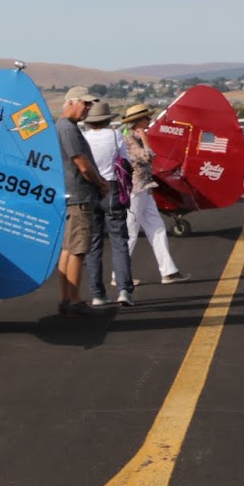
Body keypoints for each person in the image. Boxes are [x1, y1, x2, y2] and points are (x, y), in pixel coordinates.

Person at [55, 87, 109, 316]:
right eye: (85, 104)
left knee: (68, 249)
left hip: (70, 196)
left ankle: (67, 298)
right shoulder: (69, 129)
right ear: (71, 103)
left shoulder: (62, 127)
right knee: (78, 250)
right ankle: (74, 300)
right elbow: (83, 165)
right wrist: (100, 184)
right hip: (79, 196)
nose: (88, 108)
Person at [120, 103, 188, 284]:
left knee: (157, 228)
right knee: (131, 232)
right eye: (146, 118)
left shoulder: (135, 138)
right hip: (135, 190)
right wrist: (146, 139)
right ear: (137, 122)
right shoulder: (130, 140)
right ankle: (119, 275)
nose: (149, 121)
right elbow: (147, 157)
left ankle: (168, 271)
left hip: (145, 188)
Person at [80, 100, 134, 307]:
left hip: (90, 189)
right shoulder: (115, 135)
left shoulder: (83, 138)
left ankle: (97, 293)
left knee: (94, 244)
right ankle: (124, 289)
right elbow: (125, 161)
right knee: (119, 242)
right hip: (112, 188)